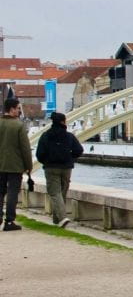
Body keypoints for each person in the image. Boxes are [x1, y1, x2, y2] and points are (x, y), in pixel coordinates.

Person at [36, 112, 83, 227]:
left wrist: (46, 161)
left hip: (51, 167)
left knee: (55, 193)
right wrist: (70, 158)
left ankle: (61, 218)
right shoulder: (69, 136)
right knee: (62, 193)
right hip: (66, 168)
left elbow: (39, 154)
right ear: (63, 122)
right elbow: (79, 150)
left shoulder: (46, 136)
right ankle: (57, 219)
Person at [0, 98, 32, 231]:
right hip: (15, 166)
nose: (19, 111)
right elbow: (25, 148)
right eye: (18, 108)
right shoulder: (18, 126)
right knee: (12, 193)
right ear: (12, 109)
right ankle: (9, 221)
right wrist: (28, 166)